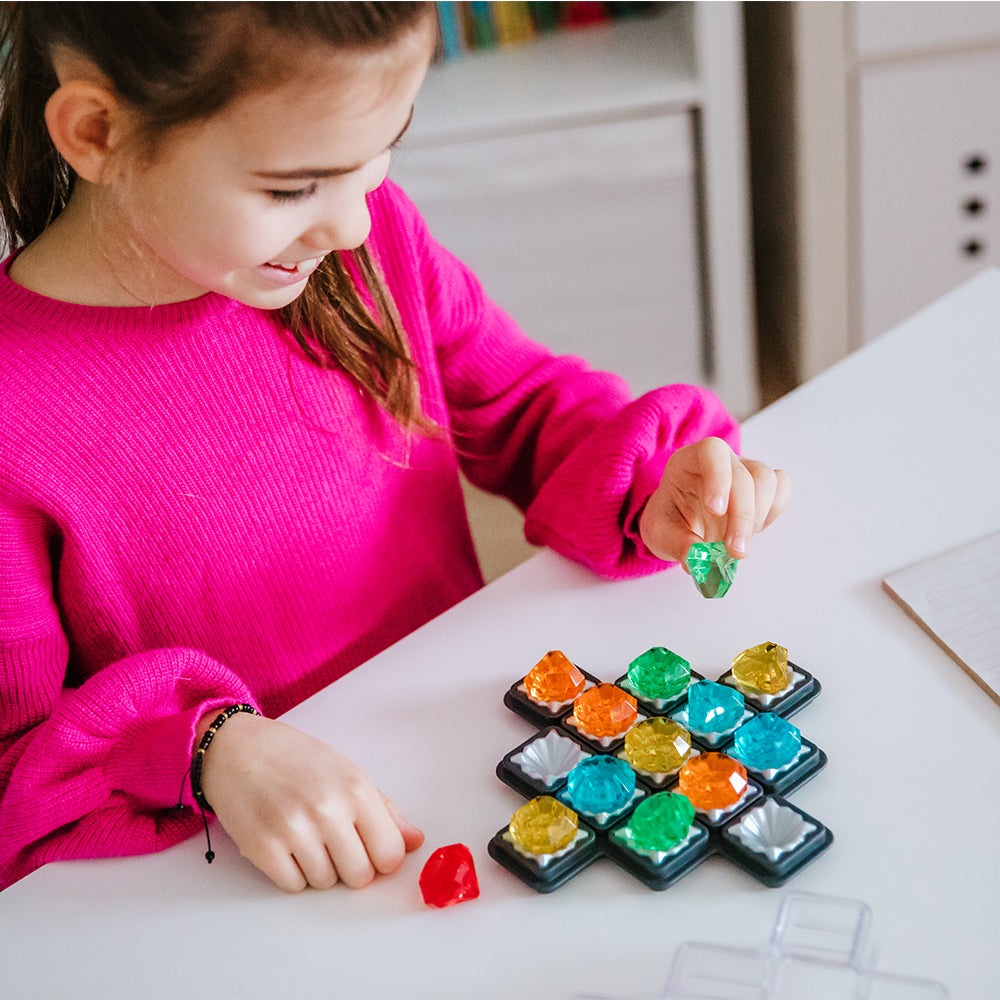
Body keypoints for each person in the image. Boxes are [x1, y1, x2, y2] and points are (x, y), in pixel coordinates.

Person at [0, 2, 790, 894]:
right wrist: (207, 748)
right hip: (244, 874)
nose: (353, 226)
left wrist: (653, 489)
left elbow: (524, 404)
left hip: (467, 768)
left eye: (382, 152)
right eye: (293, 187)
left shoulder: (360, 245)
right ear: (98, 132)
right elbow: (16, 763)